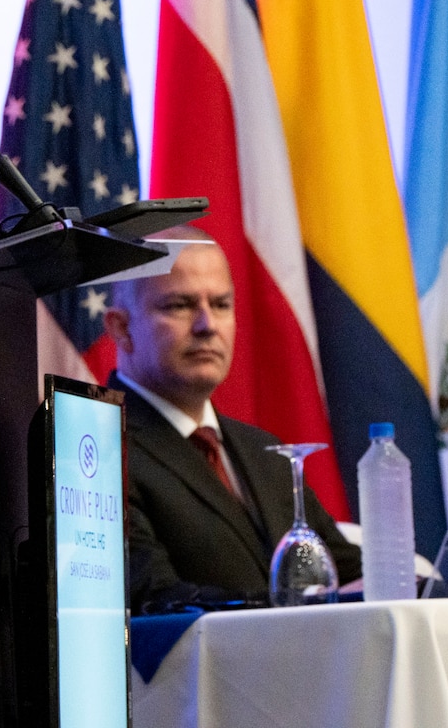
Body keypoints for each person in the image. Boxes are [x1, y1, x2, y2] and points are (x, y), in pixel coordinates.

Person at [102, 230, 361, 613]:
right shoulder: (100, 448)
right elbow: (155, 599)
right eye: (180, 305)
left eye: (222, 304)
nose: (207, 325)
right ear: (121, 328)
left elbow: (350, 573)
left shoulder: (267, 454)